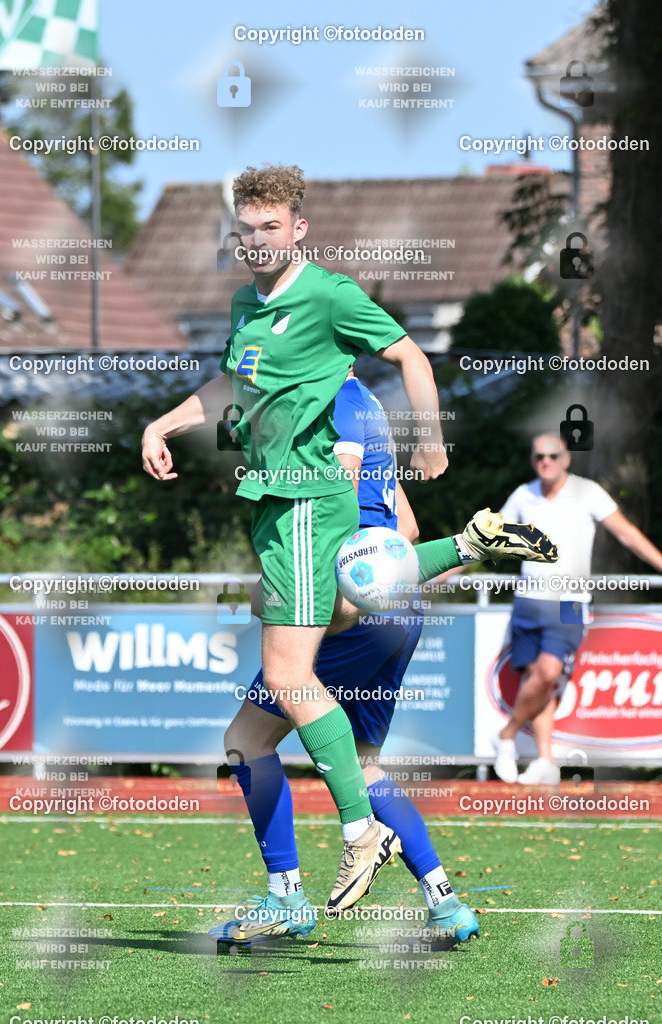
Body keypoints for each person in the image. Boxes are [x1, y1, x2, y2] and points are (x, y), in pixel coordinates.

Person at [142, 163, 553, 916]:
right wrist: (163, 422)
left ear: (298, 229)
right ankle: (289, 896)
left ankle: (360, 831)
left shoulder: (328, 296)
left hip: (305, 506)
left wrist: (429, 442)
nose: (259, 241)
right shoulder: (243, 306)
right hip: (273, 510)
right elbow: (232, 388)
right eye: (247, 229)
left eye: (273, 227)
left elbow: (410, 355)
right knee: (248, 735)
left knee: (293, 675)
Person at [209, 374, 556, 949]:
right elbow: (408, 527)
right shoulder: (365, 402)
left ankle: (288, 896)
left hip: (350, 608)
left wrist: (306, 596)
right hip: (399, 607)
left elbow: (333, 513)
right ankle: (446, 904)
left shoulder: (328, 402)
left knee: (247, 739)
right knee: (363, 763)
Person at [493, 431, 662, 785]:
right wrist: (439, 571)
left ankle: (506, 735)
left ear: (567, 458)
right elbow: (487, 539)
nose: (546, 462)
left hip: (569, 604)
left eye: (553, 456)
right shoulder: (523, 495)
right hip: (528, 601)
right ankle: (544, 759)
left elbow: (626, 533)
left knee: (549, 672)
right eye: (539, 456)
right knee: (535, 677)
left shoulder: (588, 492)